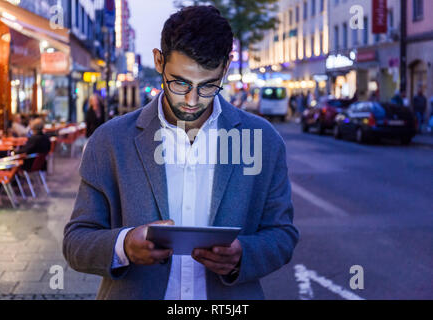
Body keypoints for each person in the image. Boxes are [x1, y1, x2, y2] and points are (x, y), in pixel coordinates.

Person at [63, 5, 299, 300]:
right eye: (180, 83)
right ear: (158, 61)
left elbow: (283, 235)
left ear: (225, 68)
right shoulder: (110, 140)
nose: (191, 99)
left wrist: (243, 255)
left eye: (208, 86)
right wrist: (123, 245)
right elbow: (76, 242)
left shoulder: (264, 140)